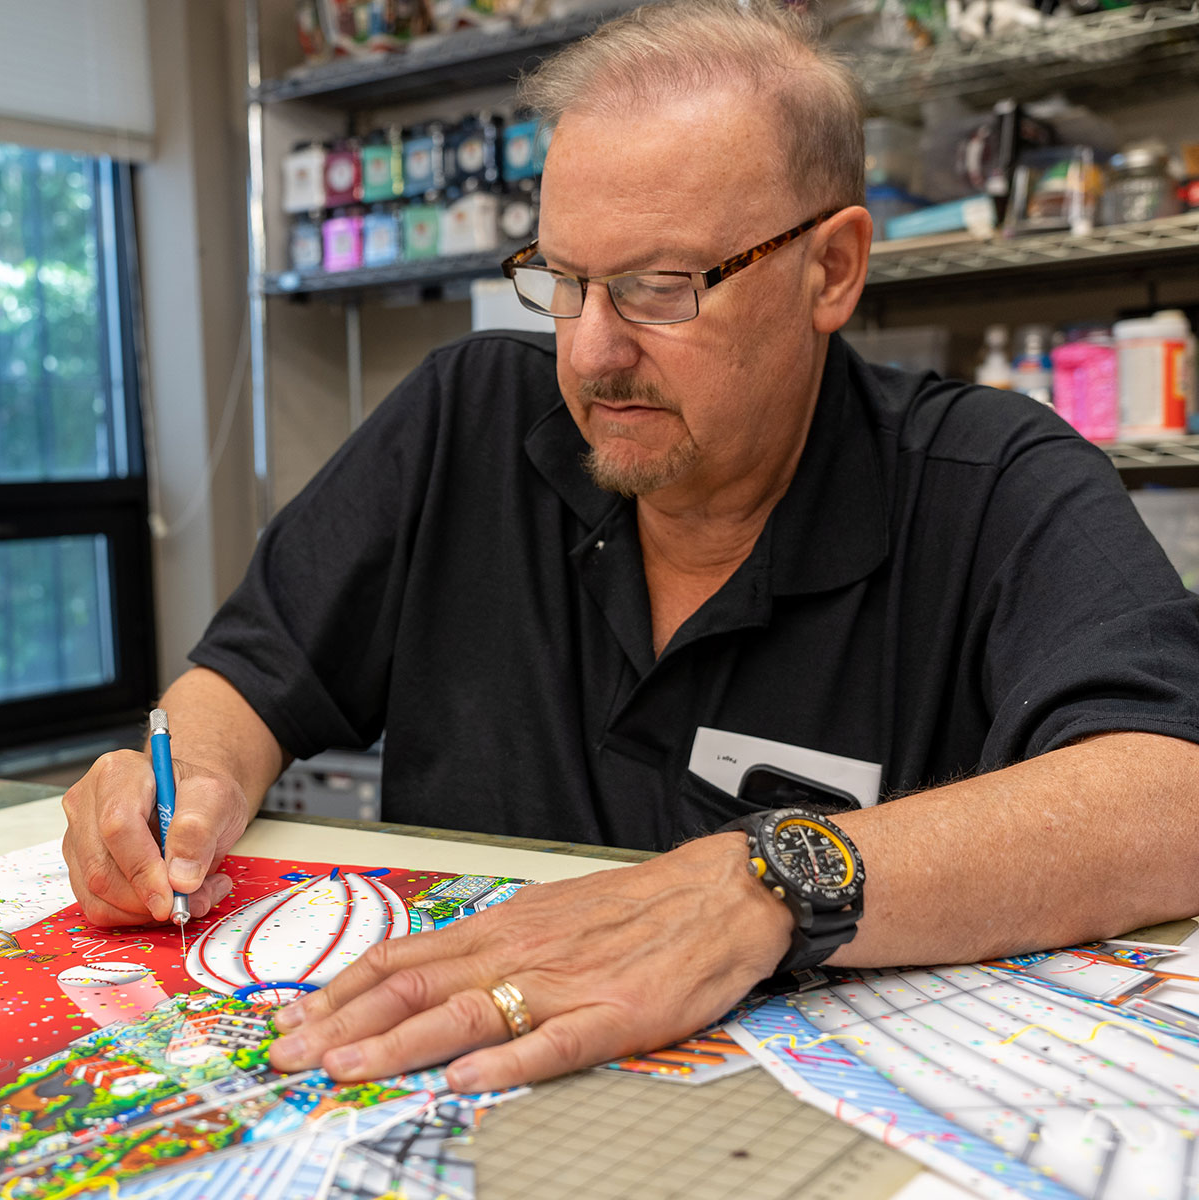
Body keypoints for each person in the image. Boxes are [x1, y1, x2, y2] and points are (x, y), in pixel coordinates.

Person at [60, 0, 1199, 1092]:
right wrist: (182, 786)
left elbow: (1168, 796)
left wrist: (761, 885)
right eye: (564, 281)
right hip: (451, 1089)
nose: (594, 353)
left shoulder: (990, 482)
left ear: (832, 270)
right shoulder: (467, 421)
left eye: (663, 286)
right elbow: (247, 682)